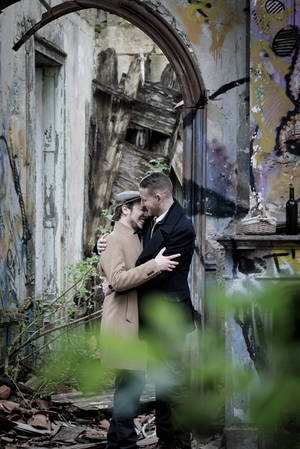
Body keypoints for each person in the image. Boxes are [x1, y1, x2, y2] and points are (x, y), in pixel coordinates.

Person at [98, 173, 196, 449]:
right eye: (139, 204)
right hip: (134, 319)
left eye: (145, 202)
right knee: (131, 383)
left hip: (164, 317)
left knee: (168, 384)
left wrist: (148, 265)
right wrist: (101, 248)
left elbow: (148, 271)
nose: (144, 209)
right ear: (126, 210)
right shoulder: (141, 226)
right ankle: (123, 443)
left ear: (158, 198)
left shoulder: (179, 227)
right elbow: (120, 269)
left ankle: (173, 442)